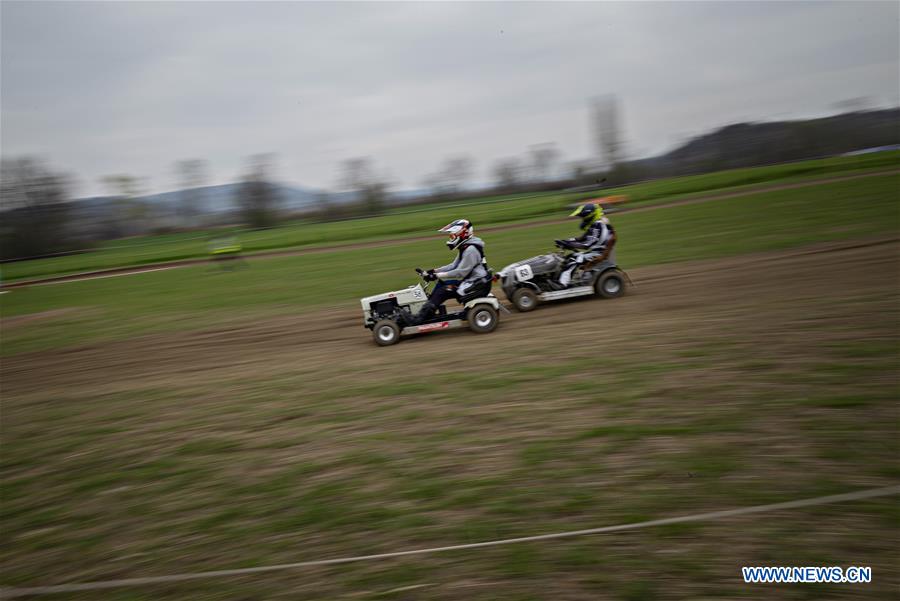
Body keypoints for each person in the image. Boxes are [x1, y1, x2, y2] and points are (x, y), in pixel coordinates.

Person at [403, 219, 491, 325]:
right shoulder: (466, 247)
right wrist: (433, 271)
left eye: (452, 235)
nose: (451, 238)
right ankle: (427, 312)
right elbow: (453, 266)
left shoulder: (470, 250)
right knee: (441, 284)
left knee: (443, 291)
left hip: (475, 285)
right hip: (471, 282)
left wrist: (436, 275)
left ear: (463, 233)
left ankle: (418, 319)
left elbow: (460, 272)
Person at [553, 203, 616, 288]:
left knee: (576, 258)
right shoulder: (595, 225)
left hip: (600, 253)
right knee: (569, 257)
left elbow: (587, 244)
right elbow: (581, 239)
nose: (582, 219)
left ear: (589, 216)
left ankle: (562, 283)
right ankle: (564, 279)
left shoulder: (599, 225)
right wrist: (565, 241)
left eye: (583, 217)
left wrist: (569, 244)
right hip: (595, 252)